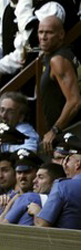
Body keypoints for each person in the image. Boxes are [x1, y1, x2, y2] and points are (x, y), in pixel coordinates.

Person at [38, 16, 81, 154]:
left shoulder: (58, 60)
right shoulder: (56, 56)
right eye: (40, 32)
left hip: (68, 135)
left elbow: (74, 101)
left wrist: (54, 130)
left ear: (61, 35)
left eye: (49, 32)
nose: (43, 37)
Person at [30, 135, 81, 229]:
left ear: (78, 164)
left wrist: (37, 211)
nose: (64, 165)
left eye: (67, 160)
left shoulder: (63, 186)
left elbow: (42, 225)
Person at [3, 161, 65, 226]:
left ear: (54, 183)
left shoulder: (30, 197)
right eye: (36, 176)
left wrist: (10, 203)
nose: (34, 181)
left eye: (40, 177)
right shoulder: (63, 202)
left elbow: (2, 225)